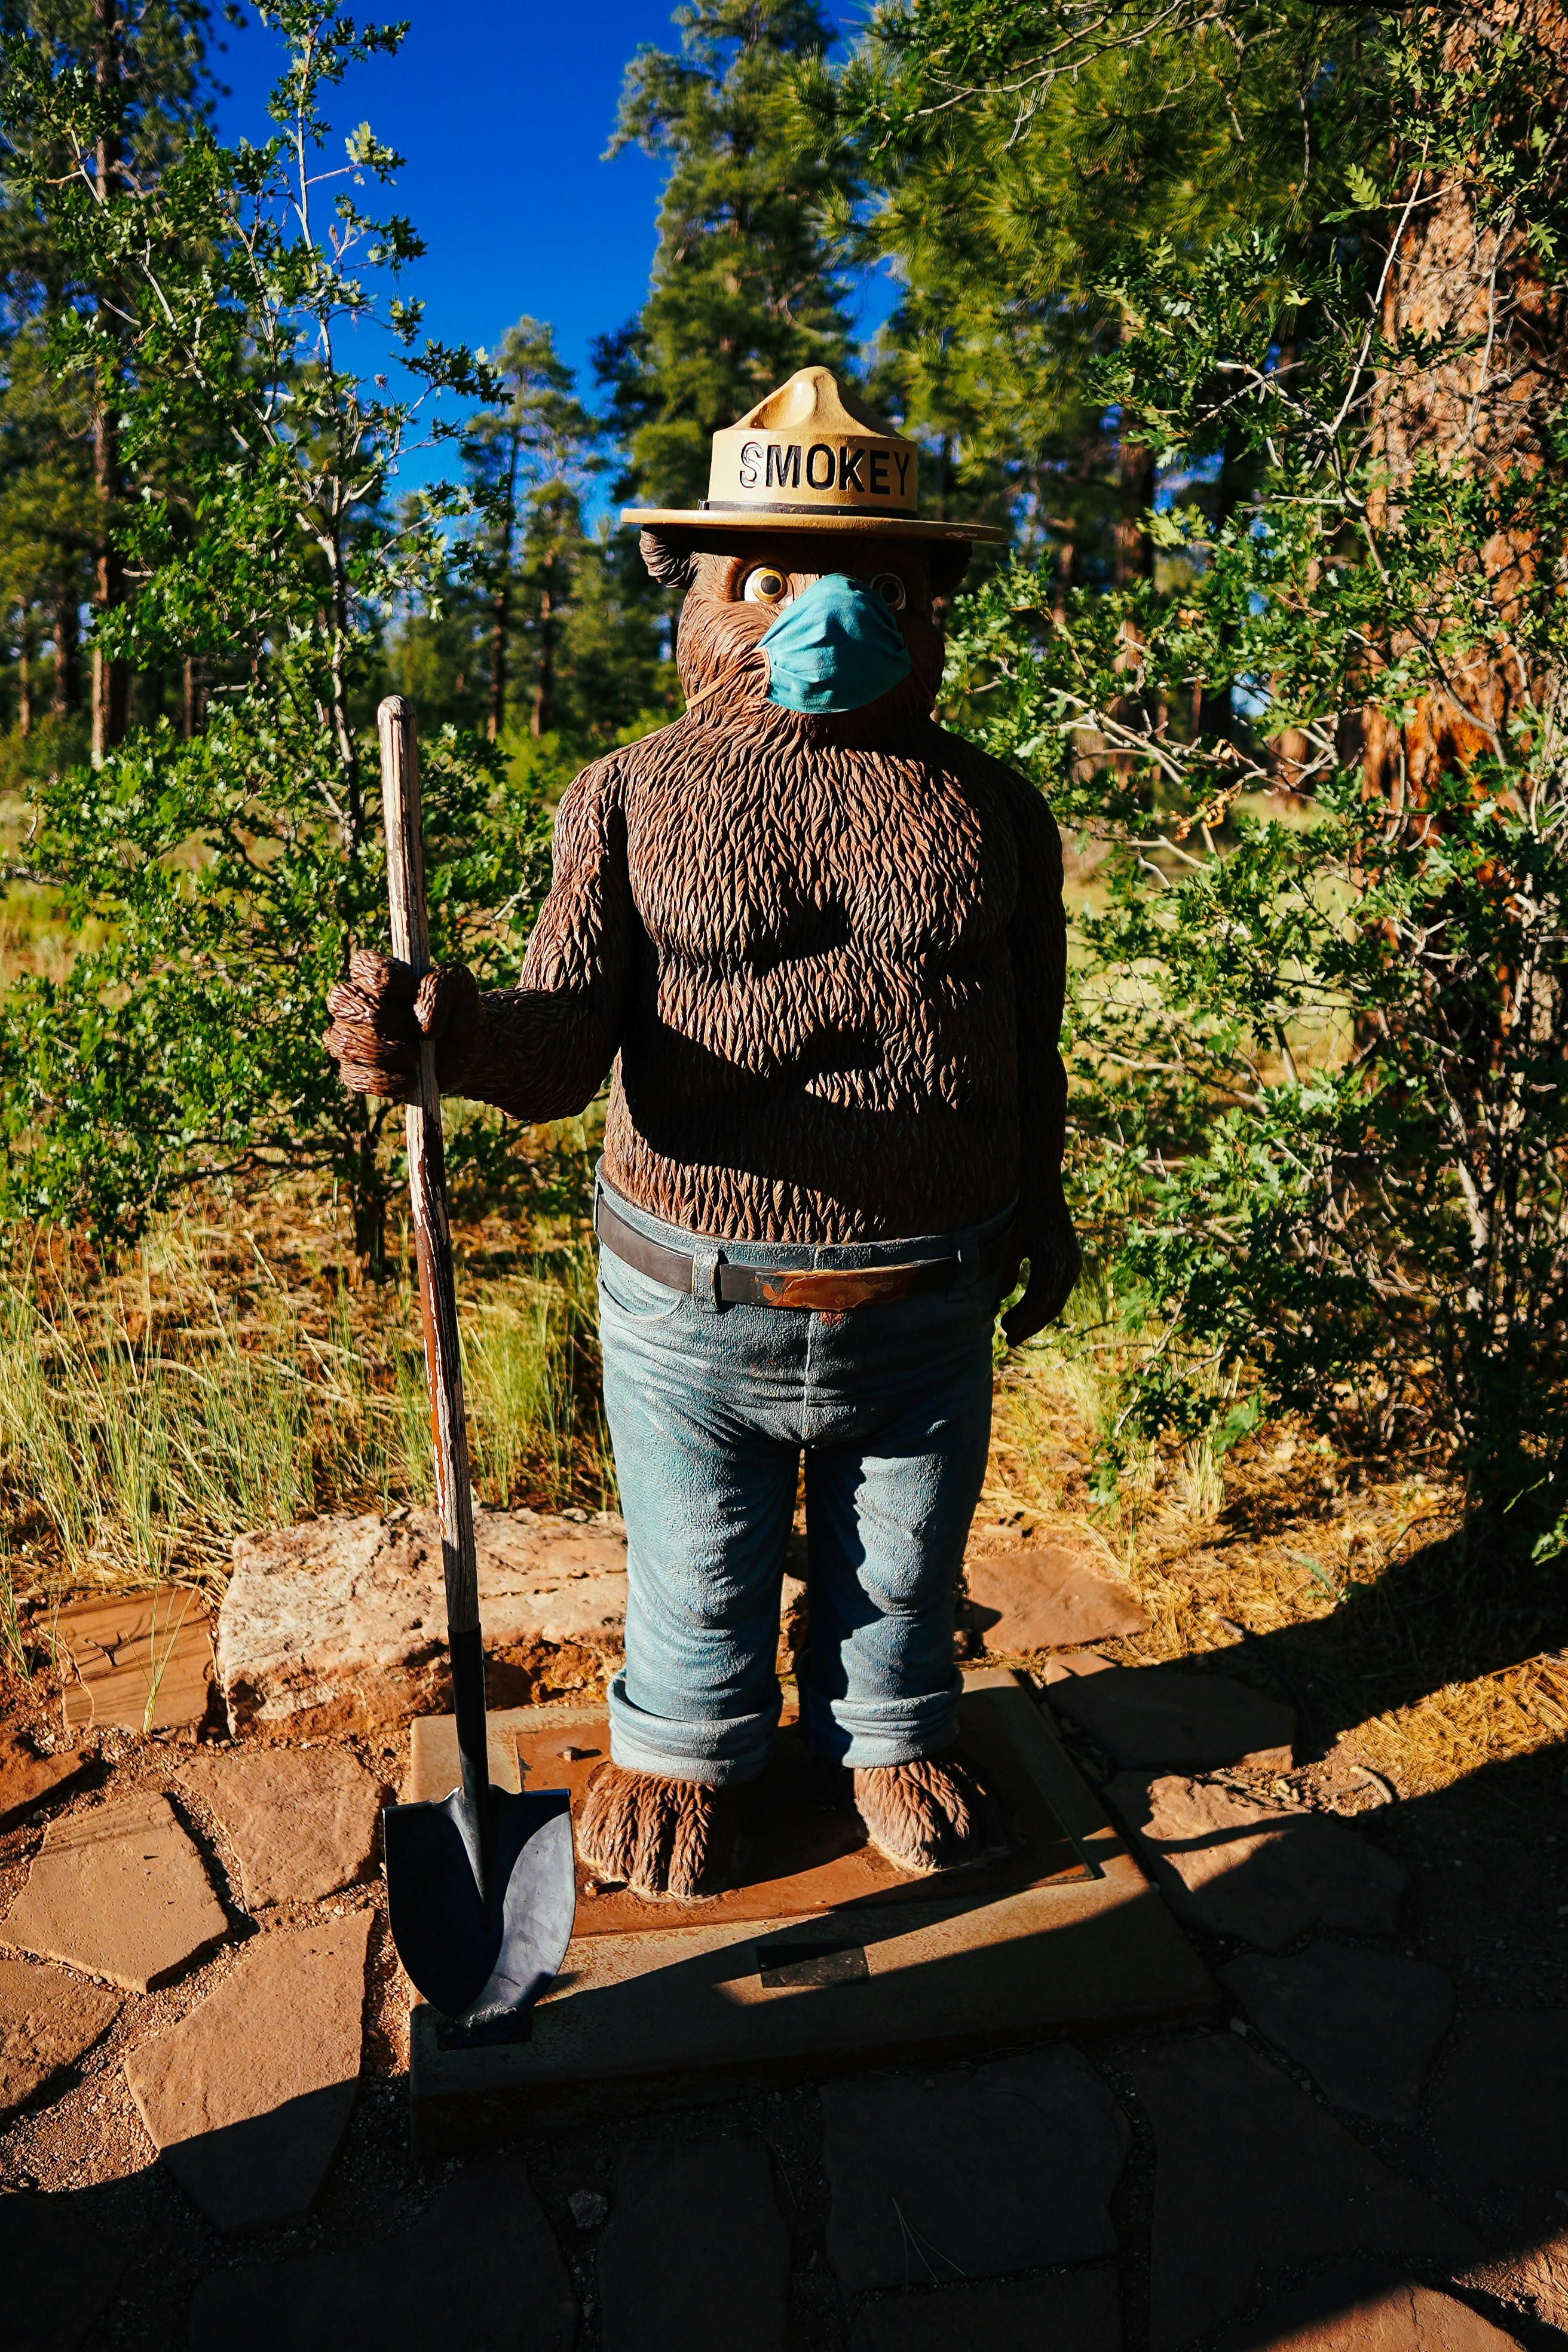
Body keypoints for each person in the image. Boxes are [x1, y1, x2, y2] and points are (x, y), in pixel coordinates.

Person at [325, 368, 1079, 1897]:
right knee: (696, 1564)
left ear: (931, 604)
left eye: (870, 581)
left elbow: (1030, 1038)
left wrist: (1045, 1204)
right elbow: (557, 1051)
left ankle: (890, 1734)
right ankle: (684, 1743)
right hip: (692, 1302)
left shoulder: (995, 810)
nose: (823, 613)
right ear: (699, 598)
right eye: (773, 580)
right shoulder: (625, 800)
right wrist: (448, 1038)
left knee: (905, 1563)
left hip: (929, 1297)